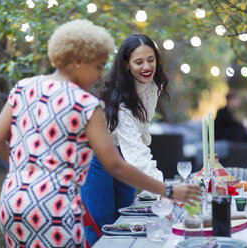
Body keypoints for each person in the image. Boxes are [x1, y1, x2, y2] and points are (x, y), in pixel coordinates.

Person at [0, 20, 201, 248]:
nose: (101, 75)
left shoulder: (23, 87)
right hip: (54, 206)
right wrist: (168, 190)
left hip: (13, 202)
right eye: (98, 66)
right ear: (80, 61)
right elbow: (116, 166)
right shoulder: (86, 103)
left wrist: (27, 171)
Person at [80, 33, 170, 245]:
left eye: (151, 59)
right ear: (127, 65)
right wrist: (165, 189)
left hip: (123, 154)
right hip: (99, 157)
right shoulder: (121, 100)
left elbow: (141, 130)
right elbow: (136, 153)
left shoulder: (154, 87)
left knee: (125, 221)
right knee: (102, 226)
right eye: (138, 62)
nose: (147, 66)